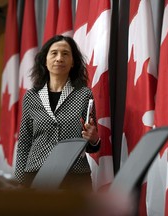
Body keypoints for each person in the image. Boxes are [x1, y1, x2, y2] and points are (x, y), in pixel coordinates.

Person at [14, 35, 101, 192]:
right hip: (37, 175)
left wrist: (94, 140)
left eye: (65, 54)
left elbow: (90, 145)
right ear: (45, 60)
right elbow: (24, 142)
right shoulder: (31, 96)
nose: (59, 58)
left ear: (73, 62)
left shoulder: (84, 94)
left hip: (74, 177)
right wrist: (20, 181)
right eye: (54, 53)